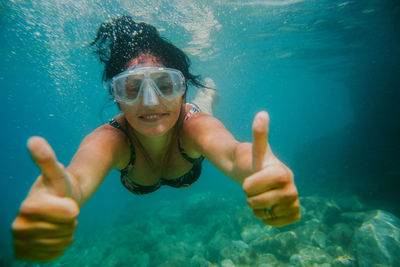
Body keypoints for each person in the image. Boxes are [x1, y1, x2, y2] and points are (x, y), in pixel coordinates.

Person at [11, 15, 300, 261]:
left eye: (165, 85)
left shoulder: (193, 127)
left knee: (206, 110)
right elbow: (77, 179)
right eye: (131, 88)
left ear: (181, 89)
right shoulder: (112, 139)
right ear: (117, 98)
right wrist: (62, 196)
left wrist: (262, 169)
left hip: (191, 116)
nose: (150, 102)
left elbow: (234, 153)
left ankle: (207, 94)